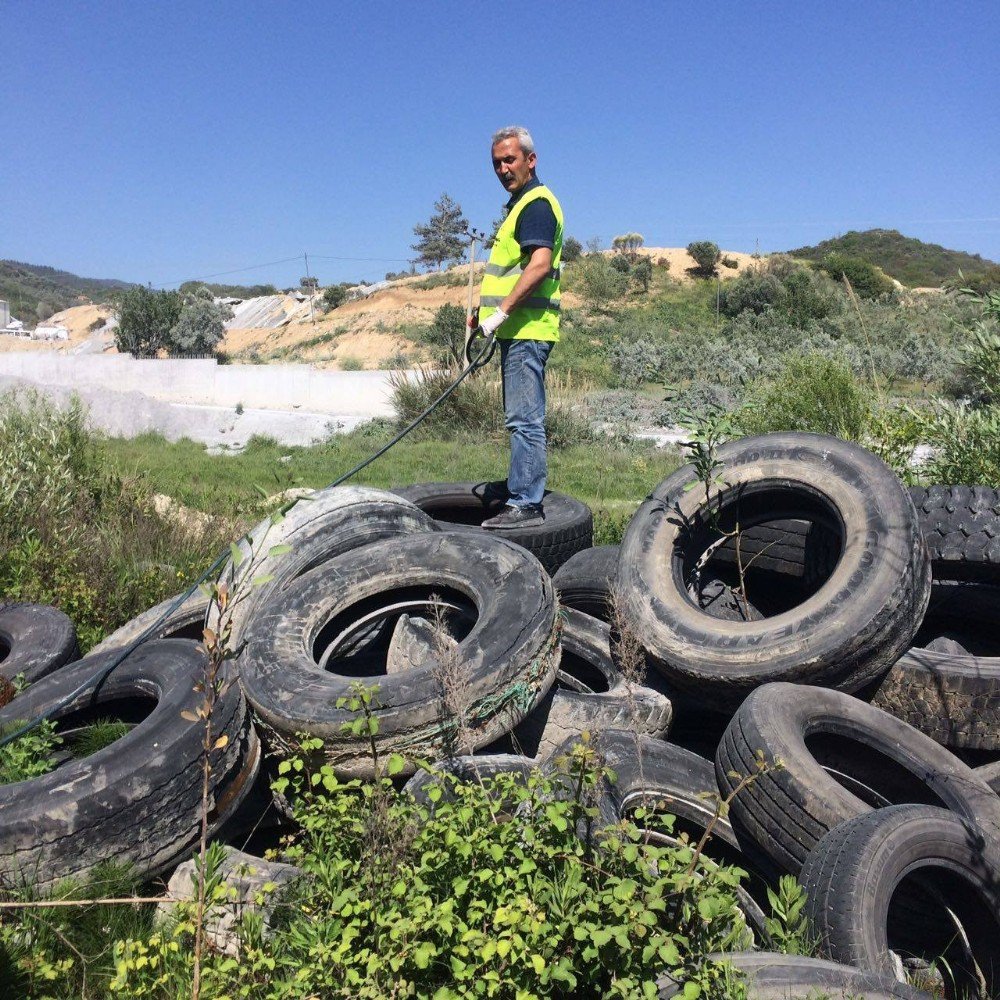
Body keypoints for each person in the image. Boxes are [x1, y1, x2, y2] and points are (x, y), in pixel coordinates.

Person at [471, 125, 564, 530]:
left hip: (527, 330)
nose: (503, 168)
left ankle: (526, 503)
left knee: (524, 419)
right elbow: (509, 271)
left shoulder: (537, 205)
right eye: (497, 163)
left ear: (531, 159)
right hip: (515, 328)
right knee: (519, 418)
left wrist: (502, 312)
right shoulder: (519, 205)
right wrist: (483, 311)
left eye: (509, 159)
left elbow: (539, 266)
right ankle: (522, 490)